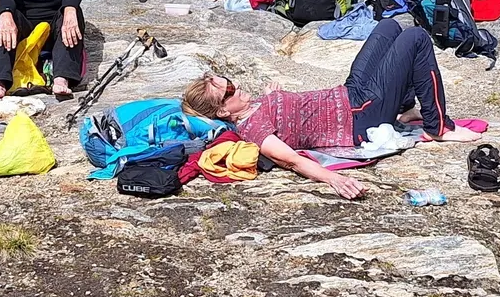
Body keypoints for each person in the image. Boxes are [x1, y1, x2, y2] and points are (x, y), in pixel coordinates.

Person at [180, 18, 483, 199]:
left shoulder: (253, 106)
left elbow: (282, 112)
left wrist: (273, 97)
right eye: (228, 91)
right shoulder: (255, 130)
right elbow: (292, 161)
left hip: (351, 93)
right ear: (223, 112)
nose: (235, 85)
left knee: (388, 26)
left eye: (227, 81)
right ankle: (438, 126)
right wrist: (334, 179)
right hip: (361, 116)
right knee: (416, 38)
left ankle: (403, 107)